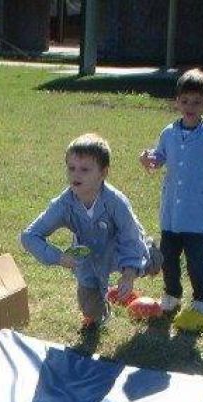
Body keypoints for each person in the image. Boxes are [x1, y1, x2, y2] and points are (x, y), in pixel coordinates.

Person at [21, 134, 161, 330]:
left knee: (148, 262)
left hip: (120, 247)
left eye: (85, 169)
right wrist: (59, 257)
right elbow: (29, 236)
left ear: (103, 173)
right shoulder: (64, 204)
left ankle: (151, 252)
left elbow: (130, 238)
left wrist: (128, 274)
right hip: (87, 255)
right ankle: (98, 315)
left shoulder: (116, 202)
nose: (76, 175)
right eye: (71, 168)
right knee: (90, 308)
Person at [138, 68, 203, 323]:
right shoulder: (169, 133)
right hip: (171, 213)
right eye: (185, 101)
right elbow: (160, 157)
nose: (190, 106)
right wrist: (149, 159)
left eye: (197, 102)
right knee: (168, 258)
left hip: (198, 212)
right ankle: (172, 293)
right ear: (177, 101)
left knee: (197, 261)